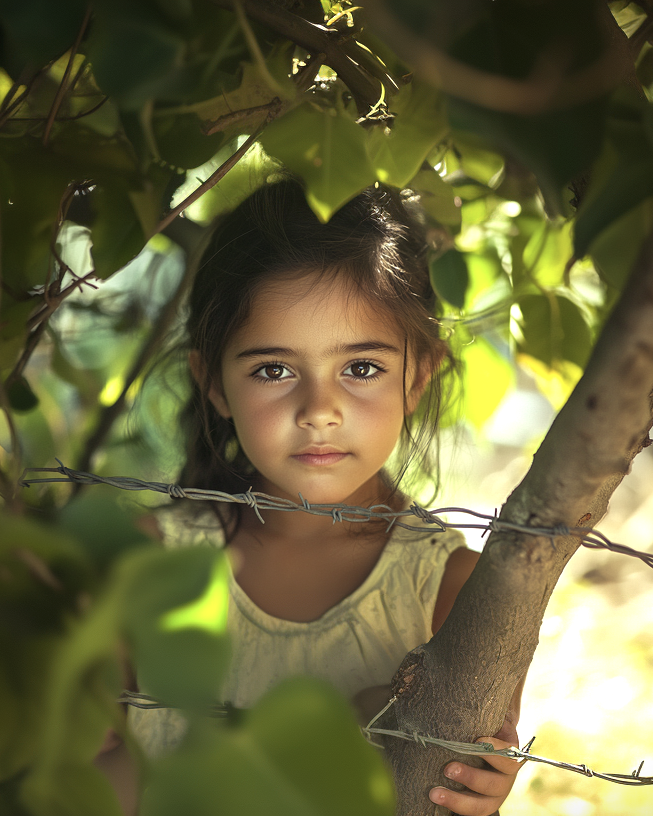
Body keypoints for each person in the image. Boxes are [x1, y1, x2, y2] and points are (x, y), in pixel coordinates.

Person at [96, 178, 524, 815]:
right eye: (274, 370)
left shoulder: (456, 596)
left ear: (418, 375)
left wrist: (478, 790)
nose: (319, 411)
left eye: (361, 368)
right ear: (213, 382)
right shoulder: (145, 568)